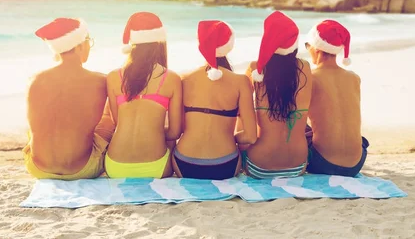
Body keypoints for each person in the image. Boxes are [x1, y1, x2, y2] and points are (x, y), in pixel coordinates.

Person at [24, 18, 115, 180]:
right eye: (89, 42)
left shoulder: (35, 79)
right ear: (80, 45)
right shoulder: (101, 81)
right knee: (108, 119)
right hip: (83, 170)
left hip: (38, 169)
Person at [173, 20, 257, 179]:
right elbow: (251, 137)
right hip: (225, 165)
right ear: (229, 45)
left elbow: (179, 129)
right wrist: (229, 137)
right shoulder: (241, 82)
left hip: (184, 163)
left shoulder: (184, 79)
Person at [105, 12, 182, 179]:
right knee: (170, 144)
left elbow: (118, 122)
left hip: (115, 167)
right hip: (156, 168)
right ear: (159, 42)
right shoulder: (171, 78)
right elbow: (175, 132)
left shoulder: (113, 77)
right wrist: (154, 131)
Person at [242, 11, 313, 179]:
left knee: (243, 114)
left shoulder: (255, 68)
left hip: (258, 166)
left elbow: (240, 109)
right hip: (298, 166)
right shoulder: (305, 68)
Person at [304, 19, 369, 177]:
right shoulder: (354, 78)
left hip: (322, 164)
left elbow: (296, 118)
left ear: (316, 48)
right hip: (356, 164)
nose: (307, 49)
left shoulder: (310, 77)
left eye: (307, 45)